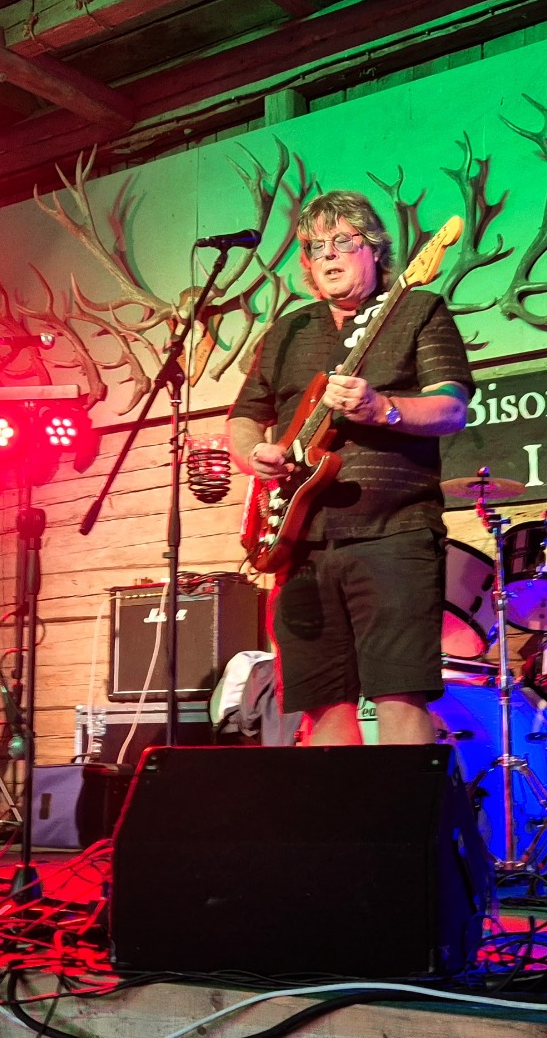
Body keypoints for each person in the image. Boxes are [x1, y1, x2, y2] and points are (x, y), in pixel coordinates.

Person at [227, 191, 474, 745]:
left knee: (399, 692)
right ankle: (339, 806)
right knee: (320, 703)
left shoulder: (418, 309)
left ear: (375, 249)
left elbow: (451, 408)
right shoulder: (287, 331)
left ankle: (406, 805)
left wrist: (381, 408)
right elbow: (244, 418)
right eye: (316, 248)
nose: (329, 255)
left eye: (343, 241)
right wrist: (253, 455)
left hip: (393, 532)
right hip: (297, 538)